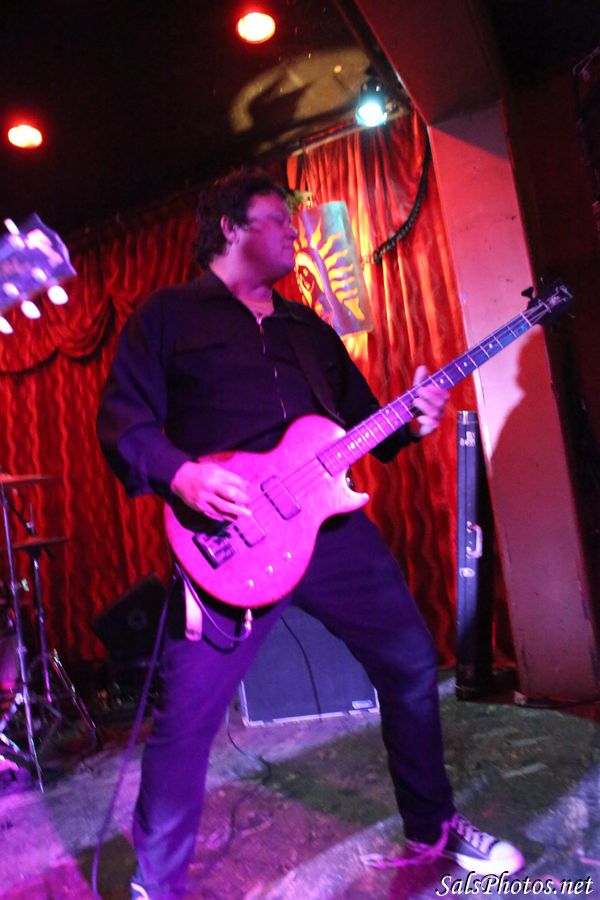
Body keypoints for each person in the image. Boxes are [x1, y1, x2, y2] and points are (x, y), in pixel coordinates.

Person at [97, 169, 524, 899]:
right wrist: (181, 475)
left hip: (329, 535)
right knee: (186, 721)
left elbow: (362, 422)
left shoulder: (308, 329)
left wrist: (413, 418)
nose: (295, 232)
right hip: (226, 543)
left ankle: (433, 828)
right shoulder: (167, 317)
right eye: (278, 219)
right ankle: (155, 886)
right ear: (231, 227)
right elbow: (123, 422)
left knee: (410, 662)